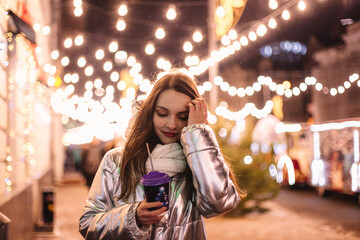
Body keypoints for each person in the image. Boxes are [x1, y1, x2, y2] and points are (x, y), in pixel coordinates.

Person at [79, 70, 242, 239]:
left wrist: (198, 136)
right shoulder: (117, 161)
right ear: (150, 113)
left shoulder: (197, 162)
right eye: (162, 113)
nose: (172, 124)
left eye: (183, 116)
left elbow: (220, 203)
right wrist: (133, 217)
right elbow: (88, 224)